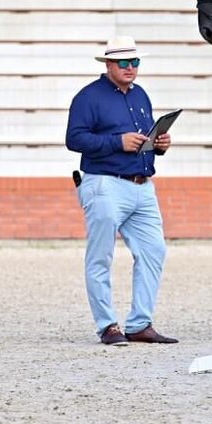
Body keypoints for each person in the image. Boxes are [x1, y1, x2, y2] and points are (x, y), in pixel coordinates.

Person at [65, 35, 178, 346]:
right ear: (109, 64)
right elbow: (74, 139)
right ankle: (107, 325)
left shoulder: (141, 95)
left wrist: (159, 145)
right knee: (100, 256)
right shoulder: (88, 97)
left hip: (142, 185)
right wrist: (117, 142)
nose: (131, 67)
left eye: (135, 62)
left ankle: (140, 323)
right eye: (125, 62)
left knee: (154, 251)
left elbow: (144, 140)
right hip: (104, 183)